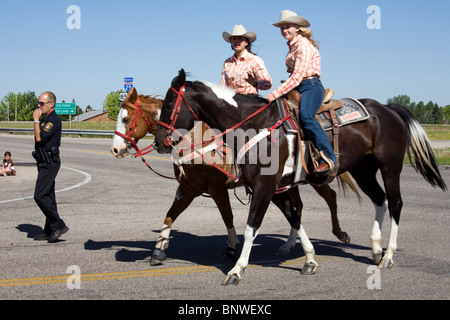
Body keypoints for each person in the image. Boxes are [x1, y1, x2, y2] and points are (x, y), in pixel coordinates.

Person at [266, 10, 337, 174]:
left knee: (306, 117)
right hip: (298, 86)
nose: (284, 31)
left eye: (287, 27)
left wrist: (274, 94)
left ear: (297, 27)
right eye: (282, 28)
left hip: (310, 85)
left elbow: (297, 76)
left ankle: (329, 157)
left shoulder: (303, 45)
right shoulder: (292, 46)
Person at [32, 91, 68, 243]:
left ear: (51, 104)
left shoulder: (53, 120)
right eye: (38, 103)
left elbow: (39, 138)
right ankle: (49, 229)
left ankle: (58, 224)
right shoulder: (46, 119)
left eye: (42, 103)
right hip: (43, 161)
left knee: (39, 195)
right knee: (49, 196)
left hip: (50, 162)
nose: (39, 106)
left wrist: (35, 121)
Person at [221, 24, 272, 95]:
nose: (237, 41)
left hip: (249, 102)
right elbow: (223, 86)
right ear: (231, 42)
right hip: (232, 102)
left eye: (240, 38)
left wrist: (255, 83)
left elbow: (268, 84)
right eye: (234, 38)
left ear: (246, 42)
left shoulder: (254, 60)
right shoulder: (227, 62)